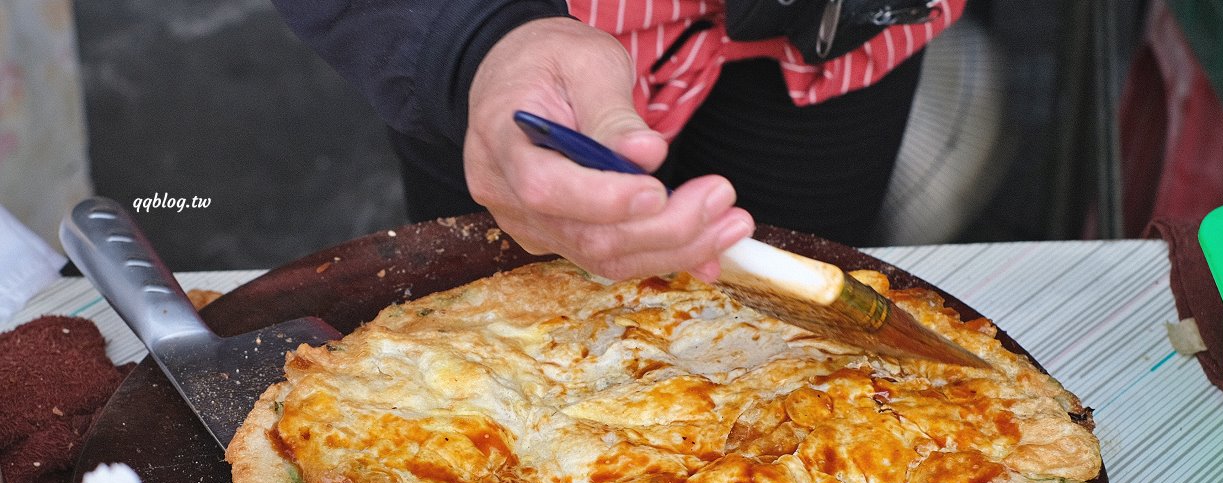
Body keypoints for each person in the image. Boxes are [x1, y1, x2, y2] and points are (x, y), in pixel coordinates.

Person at [272, 1, 965, 282]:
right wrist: (465, 43)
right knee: (480, 379)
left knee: (811, 378)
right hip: (521, 42)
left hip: (844, 31)